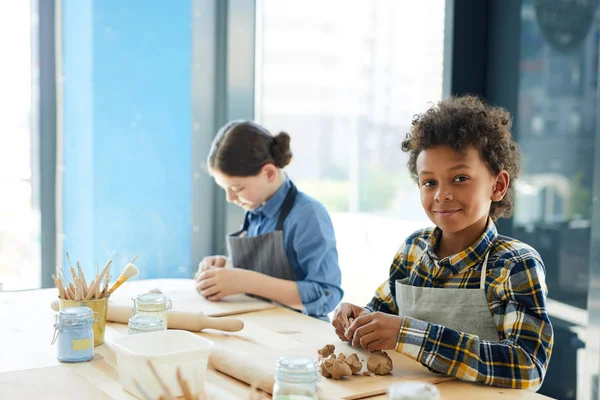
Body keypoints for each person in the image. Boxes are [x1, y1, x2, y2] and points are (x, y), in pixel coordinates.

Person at [332, 96, 553, 389]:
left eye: (460, 178)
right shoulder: (413, 249)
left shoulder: (514, 264)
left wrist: (406, 334)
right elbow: (382, 316)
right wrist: (358, 319)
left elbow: (528, 367)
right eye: (429, 182)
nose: (441, 195)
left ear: (497, 186)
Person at [195, 120, 343, 320]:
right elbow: (273, 270)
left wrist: (245, 281)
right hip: (263, 324)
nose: (230, 198)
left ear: (269, 173)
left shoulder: (307, 215)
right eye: (225, 189)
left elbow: (326, 294)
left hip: (300, 333)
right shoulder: (255, 210)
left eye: (237, 189)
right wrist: (226, 268)